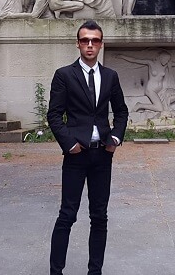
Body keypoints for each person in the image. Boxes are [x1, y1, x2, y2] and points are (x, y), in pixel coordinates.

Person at [48, 20, 129, 275]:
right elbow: (54, 115)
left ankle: (95, 271)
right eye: (85, 40)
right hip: (76, 154)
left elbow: (122, 112)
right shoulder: (64, 75)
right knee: (67, 215)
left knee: (100, 216)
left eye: (94, 40)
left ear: (101, 44)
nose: (90, 45)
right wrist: (69, 143)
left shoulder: (110, 76)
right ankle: (55, 271)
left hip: (102, 155)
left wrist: (115, 138)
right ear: (78, 44)